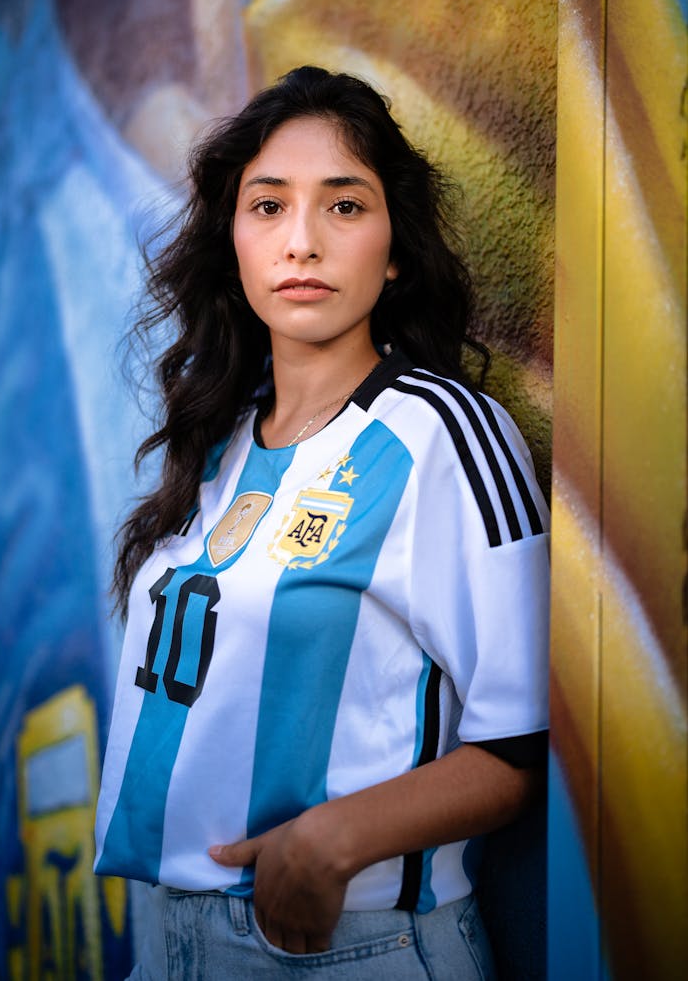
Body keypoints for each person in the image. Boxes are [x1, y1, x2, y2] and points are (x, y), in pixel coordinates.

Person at [94, 66, 550, 979]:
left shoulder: (445, 434)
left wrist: (332, 840)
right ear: (233, 243)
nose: (301, 240)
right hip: (166, 938)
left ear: (393, 252)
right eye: (268, 207)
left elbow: (520, 741)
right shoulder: (219, 441)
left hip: (342, 944)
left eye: (343, 207)